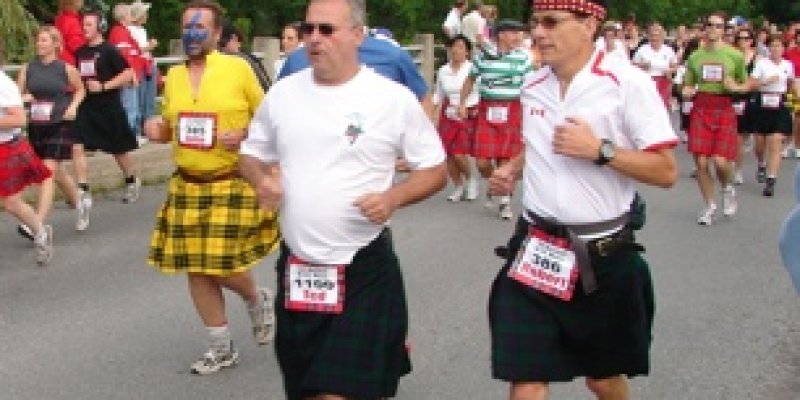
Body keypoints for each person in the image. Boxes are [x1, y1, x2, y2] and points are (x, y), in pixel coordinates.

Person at [239, 0, 447, 398]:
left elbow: (435, 170)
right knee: (306, 390)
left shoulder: (390, 98)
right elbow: (251, 152)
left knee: (336, 393)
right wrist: (260, 178)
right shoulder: (283, 94)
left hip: (362, 268)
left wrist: (393, 198)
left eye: (327, 29)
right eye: (308, 29)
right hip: (299, 269)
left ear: (357, 34)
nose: (314, 38)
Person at [487, 1, 678, 399]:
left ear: (589, 25)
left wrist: (601, 150)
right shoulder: (533, 84)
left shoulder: (626, 83)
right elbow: (544, 140)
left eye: (551, 23)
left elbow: (665, 170)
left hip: (604, 257)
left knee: (603, 380)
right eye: (536, 22)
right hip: (536, 249)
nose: (538, 32)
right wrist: (514, 168)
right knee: (526, 380)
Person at [143, 0, 278, 375]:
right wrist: (158, 130)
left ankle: (255, 297)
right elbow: (173, 127)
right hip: (187, 185)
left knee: (220, 264)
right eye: (187, 26)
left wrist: (245, 134)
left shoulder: (238, 69)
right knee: (197, 269)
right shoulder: (175, 78)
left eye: (200, 27)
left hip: (229, 181)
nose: (192, 34)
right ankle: (221, 346)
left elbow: (271, 120)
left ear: (217, 34)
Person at [73, 9, 141, 231]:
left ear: (100, 27)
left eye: (89, 25)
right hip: (87, 107)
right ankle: (83, 191)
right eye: (83, 25)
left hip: (109, 106)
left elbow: (127, 74)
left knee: (118, 150)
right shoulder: (80, 52)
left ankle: (131, 179)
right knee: (77, 145)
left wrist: (103, 86)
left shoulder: (109, 50)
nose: (85, 29)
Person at [458, 19, 533, 221]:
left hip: (512, 109)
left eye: (520, 34)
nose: (519, 37)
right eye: (514, 33)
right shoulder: (483, 57)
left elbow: (532, 86)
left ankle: (504, 201)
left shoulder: (523, 58)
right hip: (487, 108)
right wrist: (462, 103)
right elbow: (470, 80)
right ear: (501, 35)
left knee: (505, 159)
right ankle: (495, 184)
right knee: (482, 162)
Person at [15, 26, 85, 239]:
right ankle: (79, 201)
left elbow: (81, 89)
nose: (39, 44)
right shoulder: (28, 69)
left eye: (44, 40)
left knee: (47, 173)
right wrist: (25, 99)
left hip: (59, 123)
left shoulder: (65, 68)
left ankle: (37, 224)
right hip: (37, 124)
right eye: (38, 40)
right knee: (56, 173)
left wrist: (73, 107)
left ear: (55, 44)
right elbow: (17, 96)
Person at [682, 11, 748, 226]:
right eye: (710, 25)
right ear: (704, 28)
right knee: (701, 162)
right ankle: (709, 205)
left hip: (724, 107)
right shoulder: (695, 56)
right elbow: (687, 84)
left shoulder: (734, 56)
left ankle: (727, 188)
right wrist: (686, 90)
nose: (713, 29)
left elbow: (745, 84)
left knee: (720, 161)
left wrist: (735, 87)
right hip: (702, 106)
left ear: (723, 30)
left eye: (718, 26)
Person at [0, 68, 54, 265]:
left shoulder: (3, 83)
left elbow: (19, 119)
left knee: (12, 204)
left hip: (6, 147)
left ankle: (39, 231)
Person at [749, 34, 797, 197]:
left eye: (779, 46)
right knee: (760, 145)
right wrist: (766, 81)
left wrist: (793, 93)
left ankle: (771, 180)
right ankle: (762, 164)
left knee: (776, 141)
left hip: (780, 102)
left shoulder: (788, 65)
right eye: (773, 46)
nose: (776, 49)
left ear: (784, 48)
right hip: (763, 102)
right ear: (768, 48)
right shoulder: (762, 64)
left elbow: (790, 83)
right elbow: (752, 83)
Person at [435, 34, 480, 202]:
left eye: (461, 47)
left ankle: (471, 180)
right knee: (447, 154)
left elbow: (479, 91)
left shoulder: (472, 69)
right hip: (448, 113)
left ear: (467, 52)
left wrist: (466, 106)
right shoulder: (443, 70)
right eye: (454, 46)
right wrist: (432, 116)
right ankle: (458, 186)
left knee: (459, 153)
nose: (456, 50)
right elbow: (438, 95)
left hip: (467, 111)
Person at [109, 3, 146, 139]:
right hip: (127, 77)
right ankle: (127, 137)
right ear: (124, 16)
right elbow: (125, 57)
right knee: (129, 107)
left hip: (127, 75)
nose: (132, 17)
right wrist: (132, 76)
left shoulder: (120, 31)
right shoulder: (120, 33)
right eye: (130, 14)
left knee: (129, 106)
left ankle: (127, 136)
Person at [732, 28, 758, 185]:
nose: (743, 41)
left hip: (751, 99)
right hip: (735, 98)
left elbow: (759, 79)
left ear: (751, 40)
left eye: (746, 38)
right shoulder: (732, 56)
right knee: (737, 137)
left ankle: (738, 165)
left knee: (745, 135)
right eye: (740, 38)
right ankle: (737, 170)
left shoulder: (758, 58)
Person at [128, 1, 159, 133]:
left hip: (147, 64)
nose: (147, 15)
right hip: (139, 66)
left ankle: (148, 125)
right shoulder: (130, 30)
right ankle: (140, 128)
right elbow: (134, 50)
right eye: (145, 13)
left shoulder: (142, 30)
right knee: (140, 97)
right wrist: (149, 46)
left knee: (150, 96)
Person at [633, 22, 677, 109]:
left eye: (657, 35)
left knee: (662, 109)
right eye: (652, 35)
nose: (654, 38)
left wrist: (670, 71)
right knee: (647, 109)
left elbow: (675, 67)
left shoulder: (668, 50)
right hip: (647, 82)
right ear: (649, 36)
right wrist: (642, 65)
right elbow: (633, 65)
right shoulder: (642, 49)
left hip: (664, 82)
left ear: (662, 36)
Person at [218, 22, 271, 90]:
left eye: (221, 43)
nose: (219, 48)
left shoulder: (244, 61)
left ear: (234, 38)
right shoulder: (249, 59)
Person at [55, 0, 86, 67]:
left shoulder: (60, 18)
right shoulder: (72, 21)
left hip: (60, 59)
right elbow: (76, 45)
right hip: (70, 63)